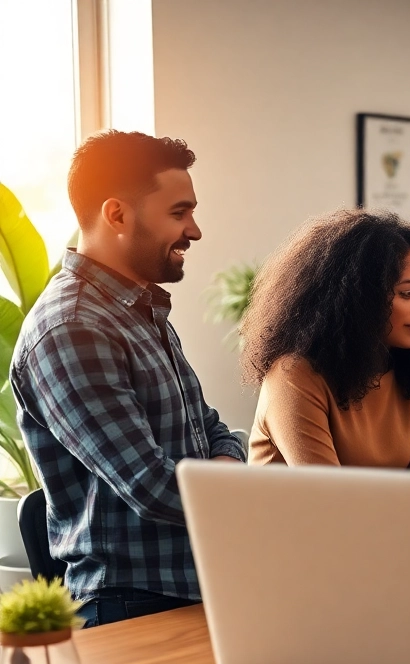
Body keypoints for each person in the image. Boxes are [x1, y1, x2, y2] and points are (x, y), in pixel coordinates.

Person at [10, 131, 246, 628]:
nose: (195, 231)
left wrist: (224, 467)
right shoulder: (72, 327)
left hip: (197, 589)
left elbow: (213, 429)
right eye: (179, 213)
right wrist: (239, 492)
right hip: (131, 604)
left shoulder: (141, 309)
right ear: (116, 215)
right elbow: (151, 484)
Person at [242, 210, 410, 469]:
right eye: (407, 293)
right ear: (360, 299)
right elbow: (331, 497)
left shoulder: (409, 376)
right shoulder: (293, 376)